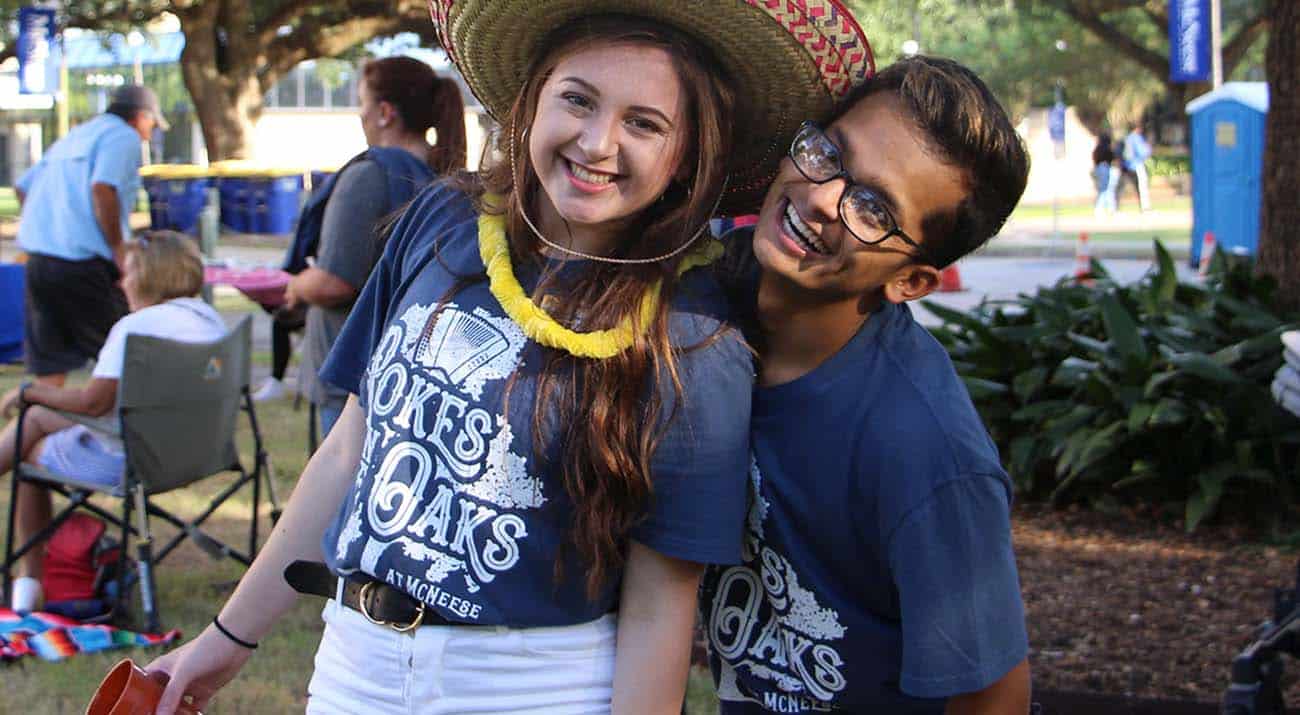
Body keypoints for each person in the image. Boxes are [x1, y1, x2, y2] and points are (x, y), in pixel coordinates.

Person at [145, 2, 872, 714]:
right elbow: (347, 452)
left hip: (534, 684)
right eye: (577, 100)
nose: (596, 143)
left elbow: (660, 599)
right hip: (352, 662)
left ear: (687, 158)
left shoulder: (692, 334)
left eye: (643, 124)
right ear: (532, 99)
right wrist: (225, 638)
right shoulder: (442, 220)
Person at [702, 56, 1032, 713]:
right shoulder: (707, 306)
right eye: (829, 153)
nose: (822, 197)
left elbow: (994, 697)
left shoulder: (925, 450)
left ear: (909, 281)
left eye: (874, 207)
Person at [0, 231, 226, 613]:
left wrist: (28, 392)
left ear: (150, 276)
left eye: (129, 272)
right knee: (36, 417)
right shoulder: (210, 320)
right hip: (195, 450)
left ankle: (29, 583)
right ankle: (27, 583)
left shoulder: (135, 328)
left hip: (135, 460)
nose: (122, 282)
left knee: (31, 448)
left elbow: (92, 403)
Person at [272, 56, 467, 438]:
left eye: (362, 103)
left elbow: (334, 283)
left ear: (384, 113)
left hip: (350, 371)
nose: (358, 115)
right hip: (406, 369)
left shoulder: (368, 176)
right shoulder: (445, 179)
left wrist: (296, 286)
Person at [15, 85, 167, 391]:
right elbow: (103, 188)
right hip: (83, 264)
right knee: (125, 356)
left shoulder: (78, 135)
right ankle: (144, 431)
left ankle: (30, 436)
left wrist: (53, 225)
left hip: (40, 262)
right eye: (152, 124)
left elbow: (23, 186)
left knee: (49, 373)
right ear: (140, 117)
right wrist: (118, 248)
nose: (151, 131)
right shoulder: (124, 138)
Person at [1120, 122, 1152, 212]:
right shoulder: (1136, 138)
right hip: (1137, 164)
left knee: (1121, 187)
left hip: (1127, 165)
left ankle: (1115, 207)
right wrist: (1149, 149)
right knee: (1142, 186)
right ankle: (1145, 207)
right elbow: (1143, 152)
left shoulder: (1128, 138)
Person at [1092, 130, 1118, 216]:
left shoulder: (1097, 149)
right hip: (1105, 168)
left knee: (1105, 190)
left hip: (1099, 169)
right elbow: (1112, 158)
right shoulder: (1106, 148)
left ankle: (1109, 209)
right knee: (1106, 190)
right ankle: (1102, 209)